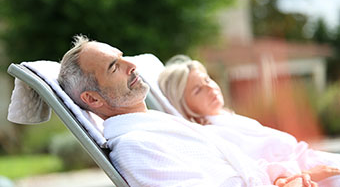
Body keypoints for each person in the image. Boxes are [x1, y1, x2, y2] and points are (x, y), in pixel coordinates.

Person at [58, 35, 316, 187]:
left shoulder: (157, 124)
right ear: (92, 98)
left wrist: (285, 176)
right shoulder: (134, 147)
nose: (131, 64)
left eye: (122, 56)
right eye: (114, 67)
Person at [158, 55, 340, 186]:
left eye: (208, 79)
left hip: (315, 162)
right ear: (183, 104)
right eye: (197, 90)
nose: (209, 87)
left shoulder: (228, 117)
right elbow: (253, 171)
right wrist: (307, 173)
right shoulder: (212, 134)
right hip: (305, 176)